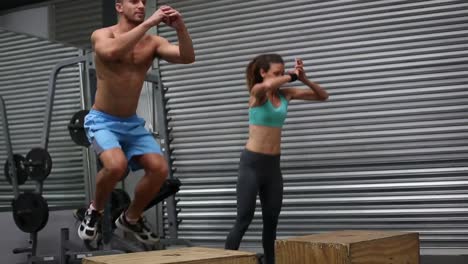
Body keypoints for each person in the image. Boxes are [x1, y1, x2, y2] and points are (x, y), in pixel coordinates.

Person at [78, 0, 195, 245]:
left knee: (159, 169)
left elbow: (187, 57)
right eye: (134, 1)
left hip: (131, 123)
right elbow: (111, 52)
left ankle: (131, 218)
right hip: (102, 120)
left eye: (144, 2)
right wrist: (151, 22)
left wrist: (180, 28)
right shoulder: (102, 35)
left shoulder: (152, 43)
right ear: (119, 6)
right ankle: (95, 211)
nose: (141, 5)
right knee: (116, 166)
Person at [225, 54, 328, 263]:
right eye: (277, 73)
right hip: (251, 165)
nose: (282, 76)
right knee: (244, 219)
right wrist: (291, 76)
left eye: (283, 72)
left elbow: (322, 96)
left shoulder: (285, 95)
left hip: (272, 167)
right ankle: (225, 259)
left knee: (271, 222)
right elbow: (264, 87)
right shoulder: (257, 94)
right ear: (263, 73)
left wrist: (304, 79)